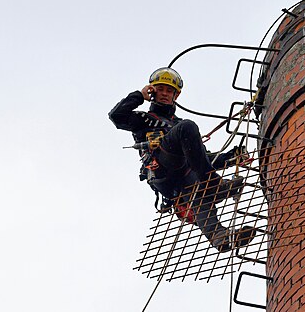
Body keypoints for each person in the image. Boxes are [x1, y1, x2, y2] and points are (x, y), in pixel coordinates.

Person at [109, 67, 254, 253]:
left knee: (200, 194)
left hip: (184, 176)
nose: (164, 94)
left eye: (169, 91)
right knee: (189, 129)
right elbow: (116, 116)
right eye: (160, 89)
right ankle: (214, 184)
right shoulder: (144, 119)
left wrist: (231, 158)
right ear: (153, 91)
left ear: (175, 95)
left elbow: (203, 158)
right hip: (162, 167)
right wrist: (139, 95)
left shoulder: (178, 124)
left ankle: (219, 236)